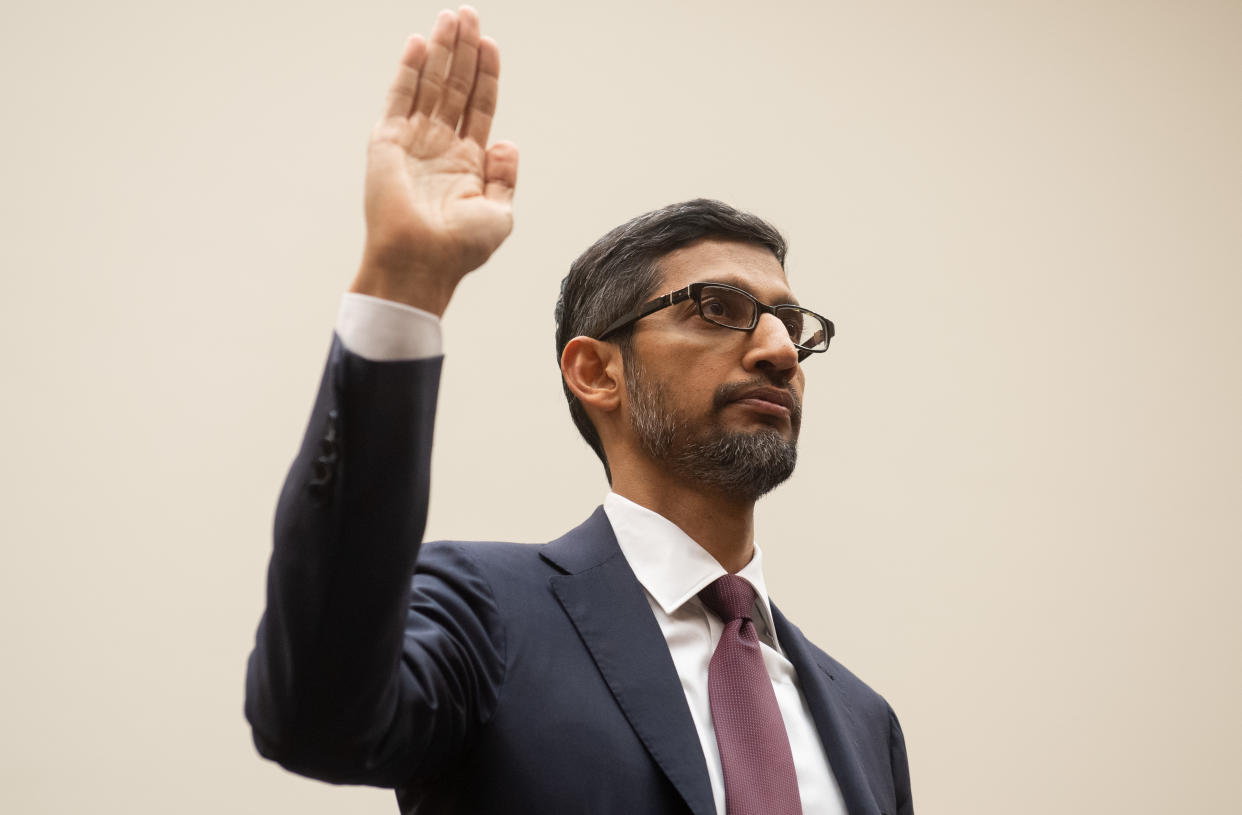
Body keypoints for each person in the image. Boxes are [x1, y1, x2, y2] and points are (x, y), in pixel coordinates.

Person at [245, 7, 913, 815]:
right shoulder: (486, 614)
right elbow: (317, 717)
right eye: (717, 307)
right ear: (596, 371)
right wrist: (405, 283)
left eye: (789, 324)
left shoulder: (864, 720)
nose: (777, 348)